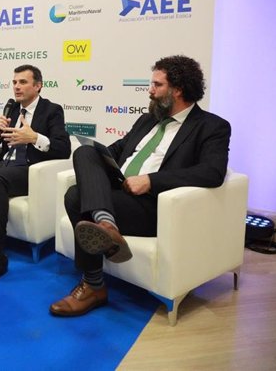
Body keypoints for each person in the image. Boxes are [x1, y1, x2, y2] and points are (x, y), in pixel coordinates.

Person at [49, 55, 231, 317]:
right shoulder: (147, 120)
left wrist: (150, 181)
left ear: (177, 90)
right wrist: (99, 158)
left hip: (153, 205)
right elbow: (117, 150)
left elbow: (212, 172)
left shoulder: (212, 126)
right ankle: (106, 224)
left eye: (157, 85)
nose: (150, 90)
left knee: (75, 197)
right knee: (84, 153)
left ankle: (93, 285)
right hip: (118, 192)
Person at [0, 64, 71, 286]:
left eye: (22, 82)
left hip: (29, 172)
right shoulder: (12, 109)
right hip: (1, 167)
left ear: (38, 86)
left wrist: (33, 138)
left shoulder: (52, 110)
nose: (16, 87)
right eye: (14, 82)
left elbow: (63, 149)